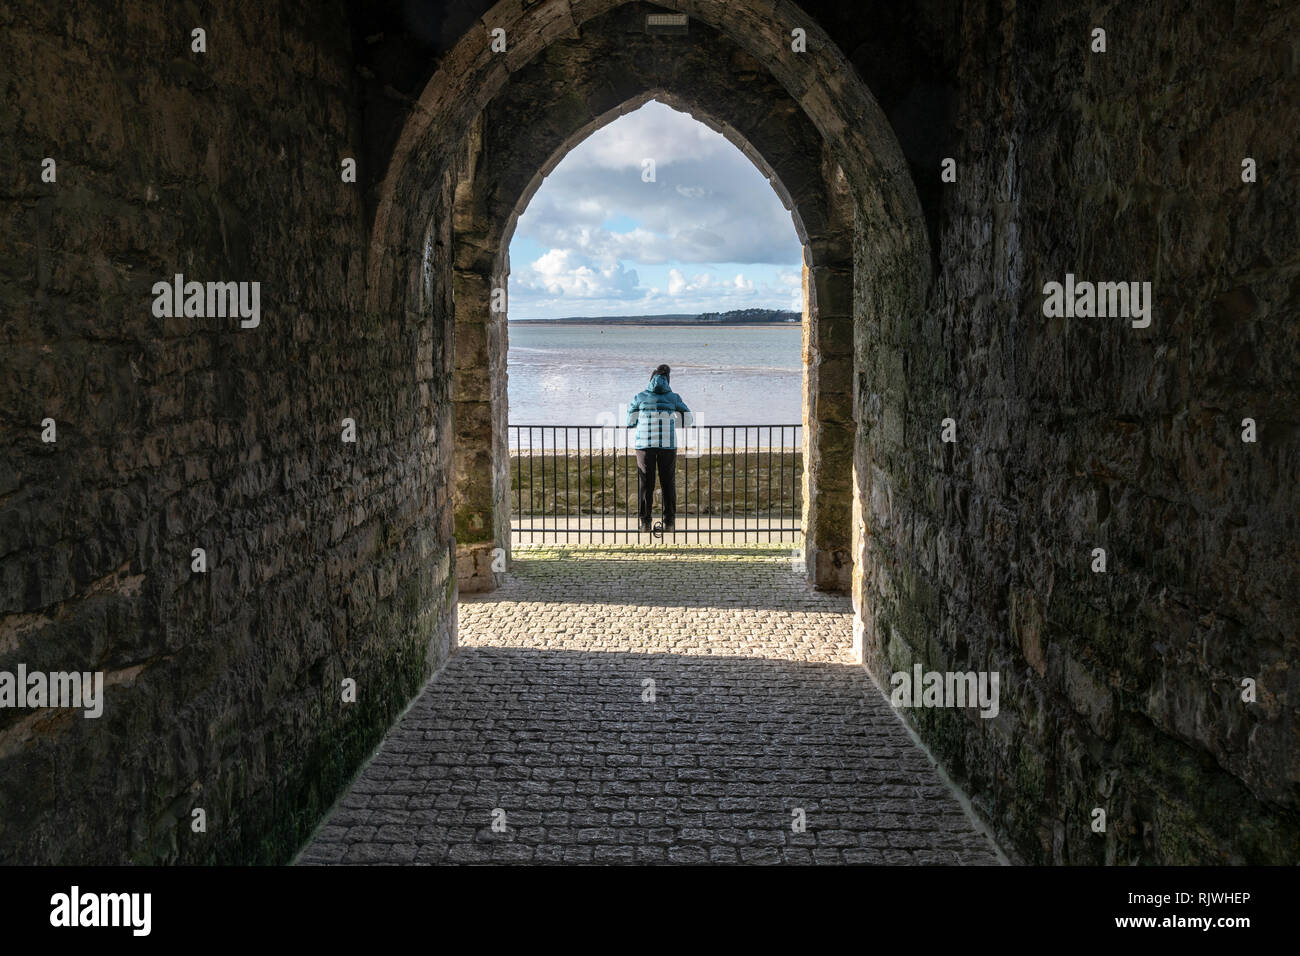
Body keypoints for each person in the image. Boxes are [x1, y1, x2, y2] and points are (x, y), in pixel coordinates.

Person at [626, 364, 693, 533]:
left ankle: (645, 523)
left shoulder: (640, 397)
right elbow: (689, 419)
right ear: (668, 380)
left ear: (651, 379)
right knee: (667, 483)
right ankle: (669, 523)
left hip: (644, 446)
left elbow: (630, 422)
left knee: (646, 484)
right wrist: (671, 423)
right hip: (667, 445)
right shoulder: (673, 397)